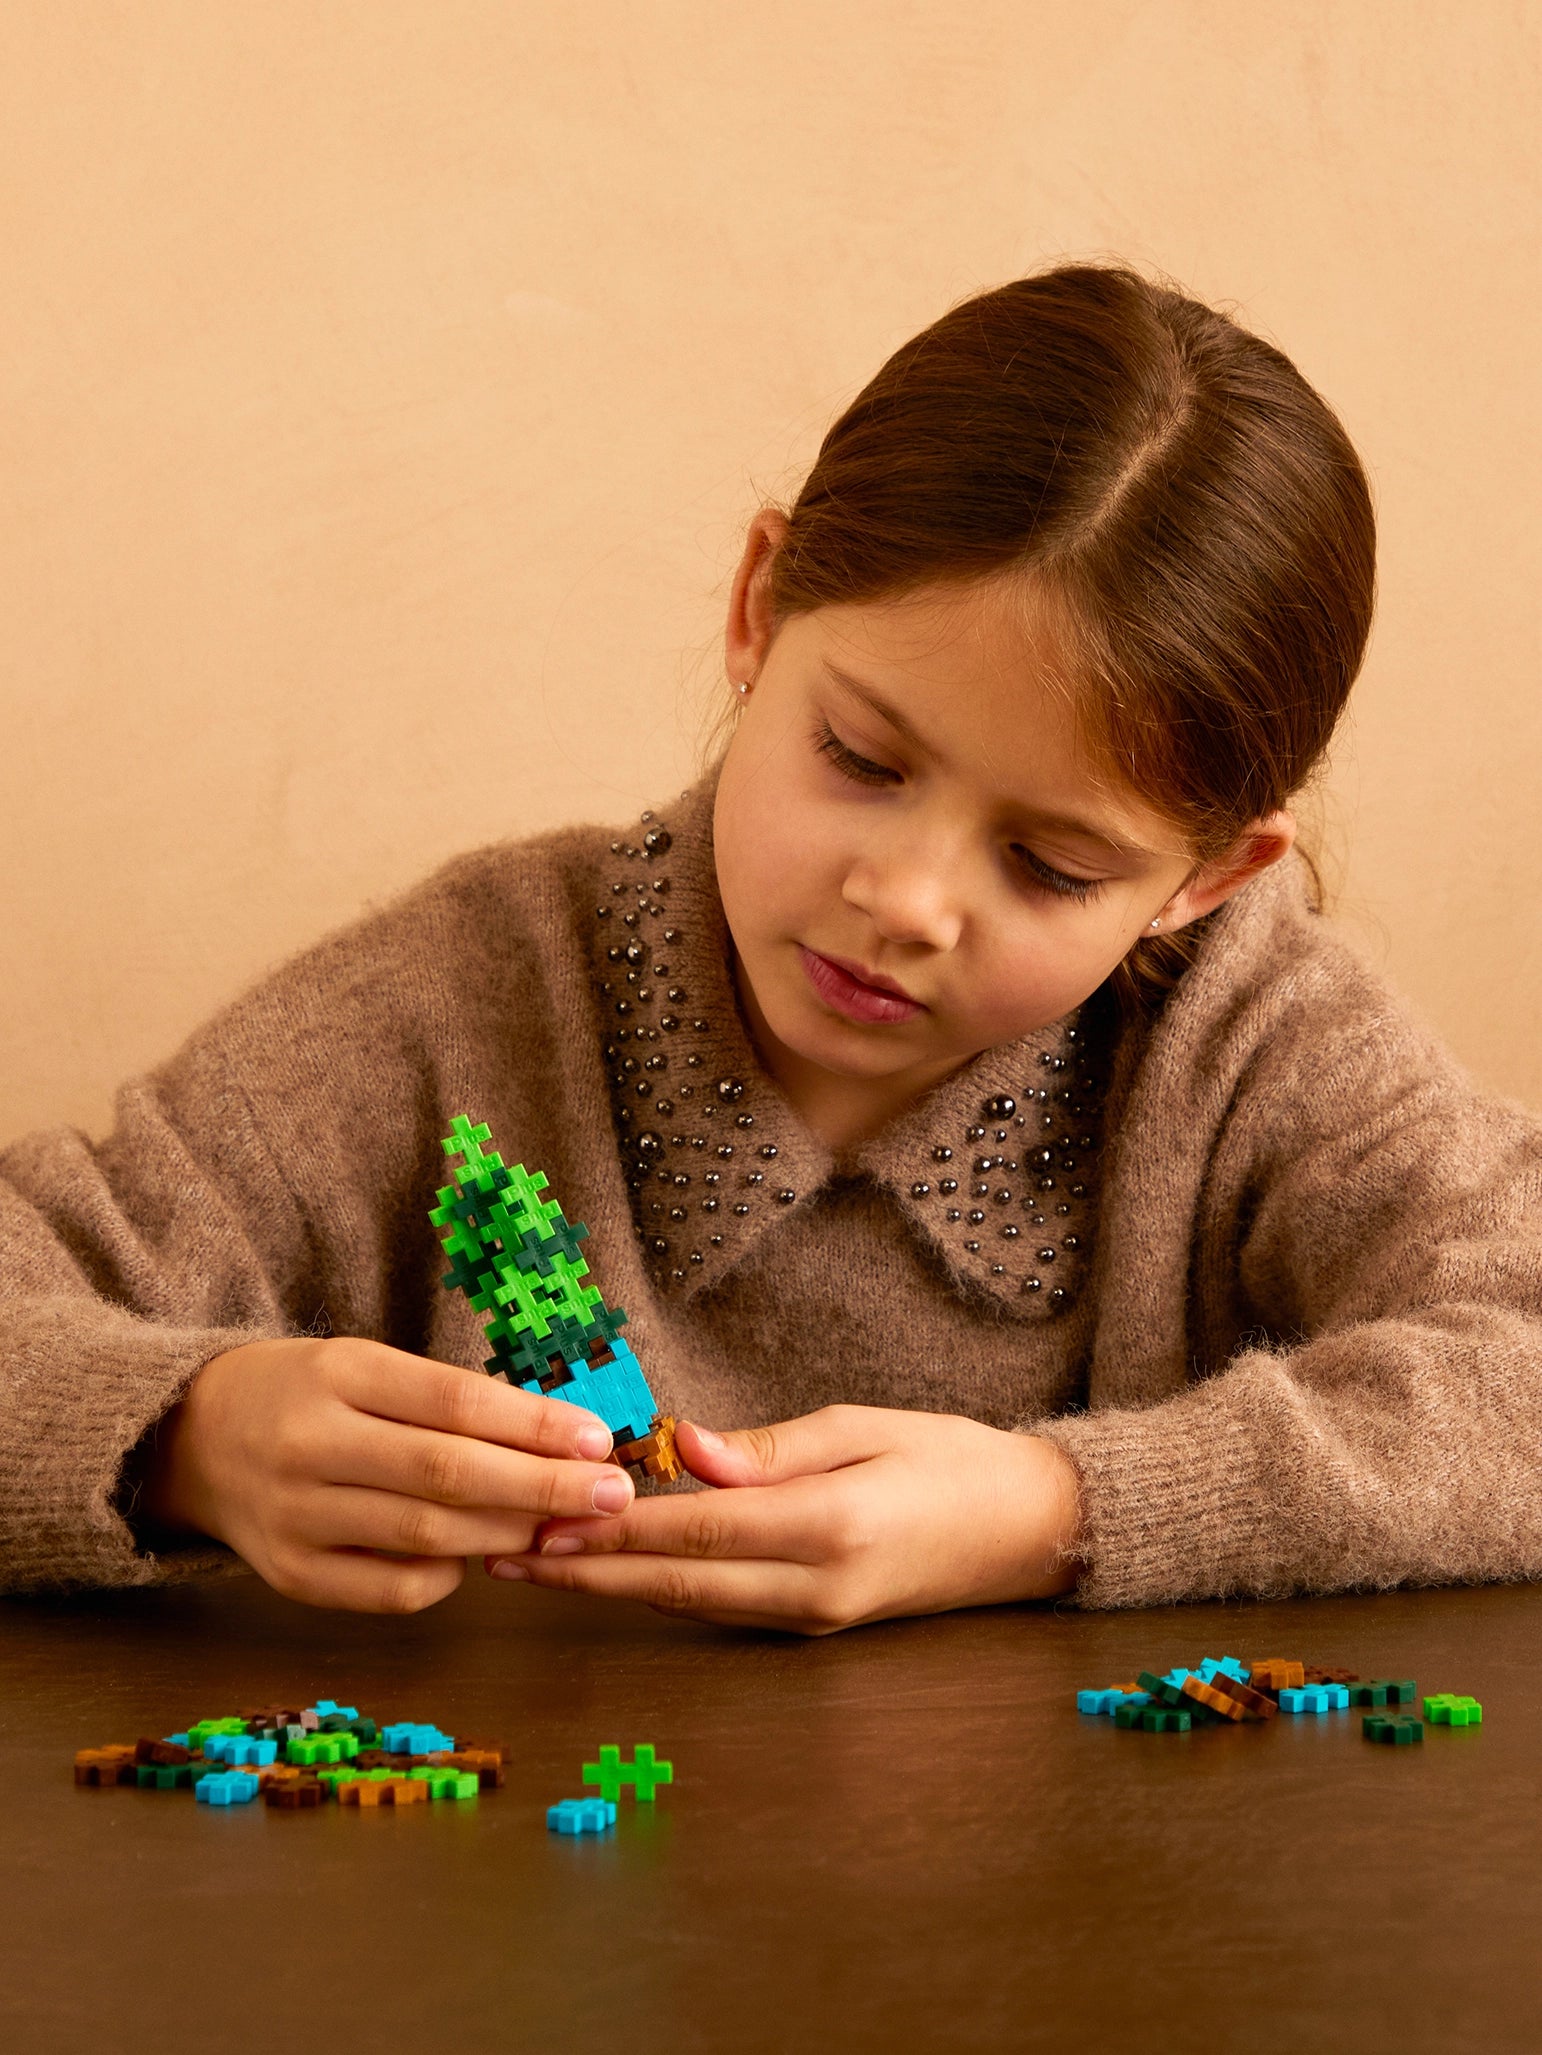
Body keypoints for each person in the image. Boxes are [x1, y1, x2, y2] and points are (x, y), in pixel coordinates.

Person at [5, 260, 1540, 1631]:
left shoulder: (1249, 1046)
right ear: (755, 608)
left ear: (1206, 878)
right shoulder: (462, 1005)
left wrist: (1055, 1513)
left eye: (1050, 864)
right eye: (864, 762)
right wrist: (183, 1435)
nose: (908, 902)